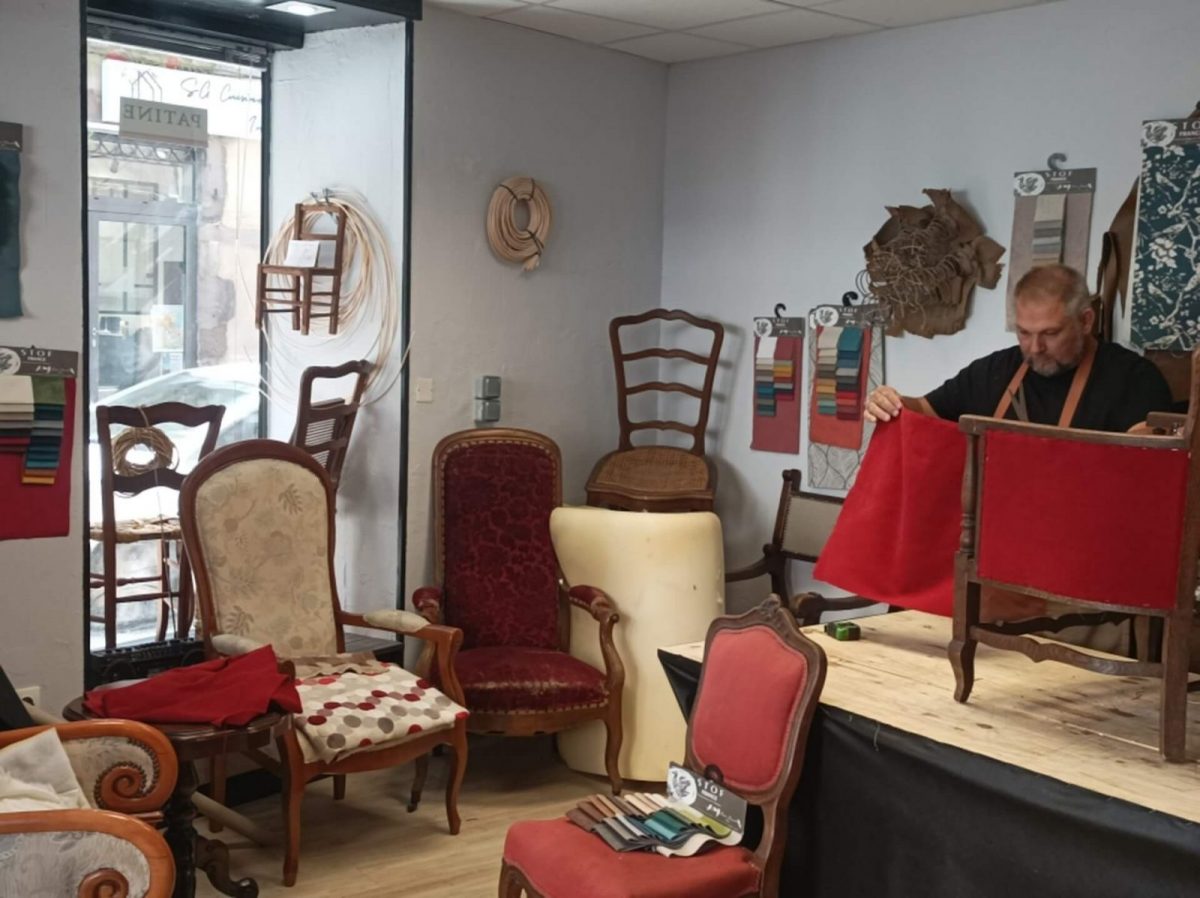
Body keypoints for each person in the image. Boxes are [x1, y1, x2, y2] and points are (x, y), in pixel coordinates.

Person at [865, 264, 1172, 432]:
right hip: (1000, 520)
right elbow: (925, 412)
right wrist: (891, 403)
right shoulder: (992, 372)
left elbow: (1143, 461)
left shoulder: (1134, 379)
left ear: (1085, 321)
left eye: (1051, 333)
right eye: (1024, 332)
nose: (1035, 348)